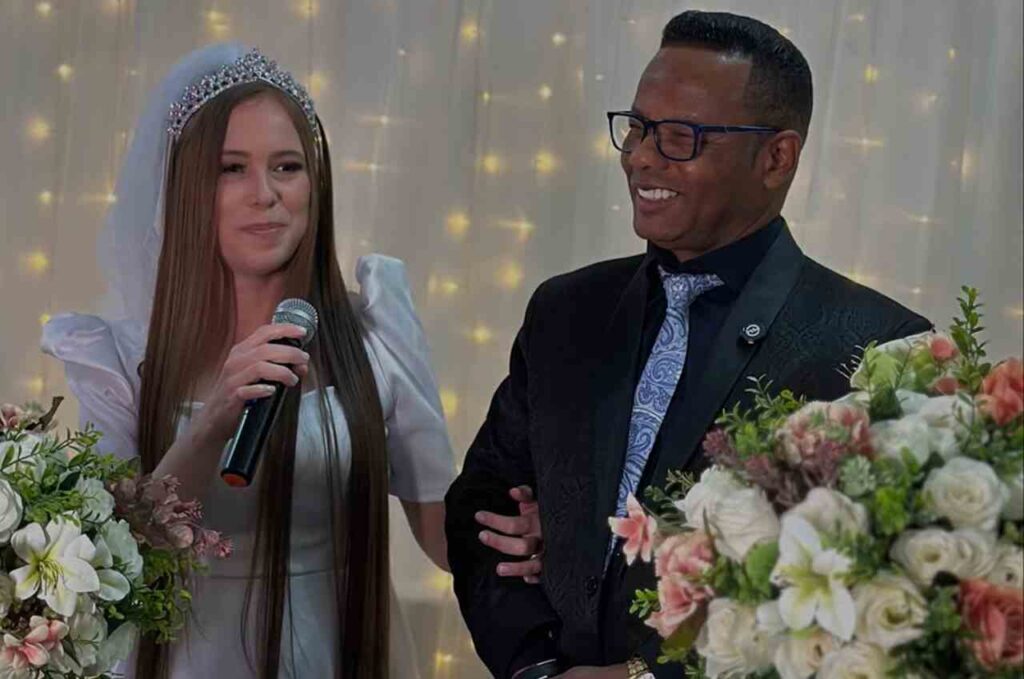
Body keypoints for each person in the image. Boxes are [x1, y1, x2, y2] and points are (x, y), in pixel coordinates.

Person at [445, 10, 932, 679]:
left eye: (681, 137)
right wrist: (539, 665)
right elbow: (484, 504)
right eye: (638, 127)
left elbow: (871, 598)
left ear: (776, 158)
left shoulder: (876, 349)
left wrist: (646, 677)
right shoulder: (567, 310)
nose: (641, 157)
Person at [41, 43, 528, 679]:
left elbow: (443, 536)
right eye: (232, 169)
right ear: (188, 190)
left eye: (287, 167)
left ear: (315, 184)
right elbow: (113, 564)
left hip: (333, 656)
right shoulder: (121, 359)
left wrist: (520, 537)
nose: (265, 194)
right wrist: (212, 420)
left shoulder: (373, 336)